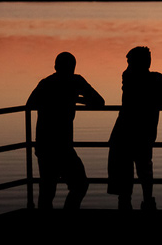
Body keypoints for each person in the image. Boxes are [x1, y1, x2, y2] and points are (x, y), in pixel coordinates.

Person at [26, 52, 105, 209]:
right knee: (79, 184)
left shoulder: (47, 83)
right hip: (60, 146)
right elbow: (99, 102)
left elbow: (30, 104)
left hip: (46, 144)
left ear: (55, 67)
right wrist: (76, 99)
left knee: (49, 190)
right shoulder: (75, 82)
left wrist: (74, 99)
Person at [107, 46, 162, 210]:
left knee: (124, 170)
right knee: (144, 168)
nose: (127, 66)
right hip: (146, 130)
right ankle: (148, 200)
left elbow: (128, 101)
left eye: (129, 62)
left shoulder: (129, 76)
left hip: (125, 131)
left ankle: (126, 202)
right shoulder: (157, 78)